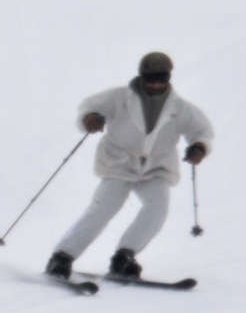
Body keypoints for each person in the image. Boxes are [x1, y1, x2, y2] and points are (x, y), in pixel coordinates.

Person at [46, 52, 213, 280]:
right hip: (119, 164)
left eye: (161, 78)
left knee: (158, 206)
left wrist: (199, 147)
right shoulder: (119, 97)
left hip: (156, 169)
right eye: (150, 78)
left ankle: (124, 257)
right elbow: (89, 106)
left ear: (168, 77)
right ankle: (62, 257)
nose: (155, 83)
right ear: (142, 77)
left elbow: (201, 130)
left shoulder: (181, 108)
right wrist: (90, 118)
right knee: (104, 208)